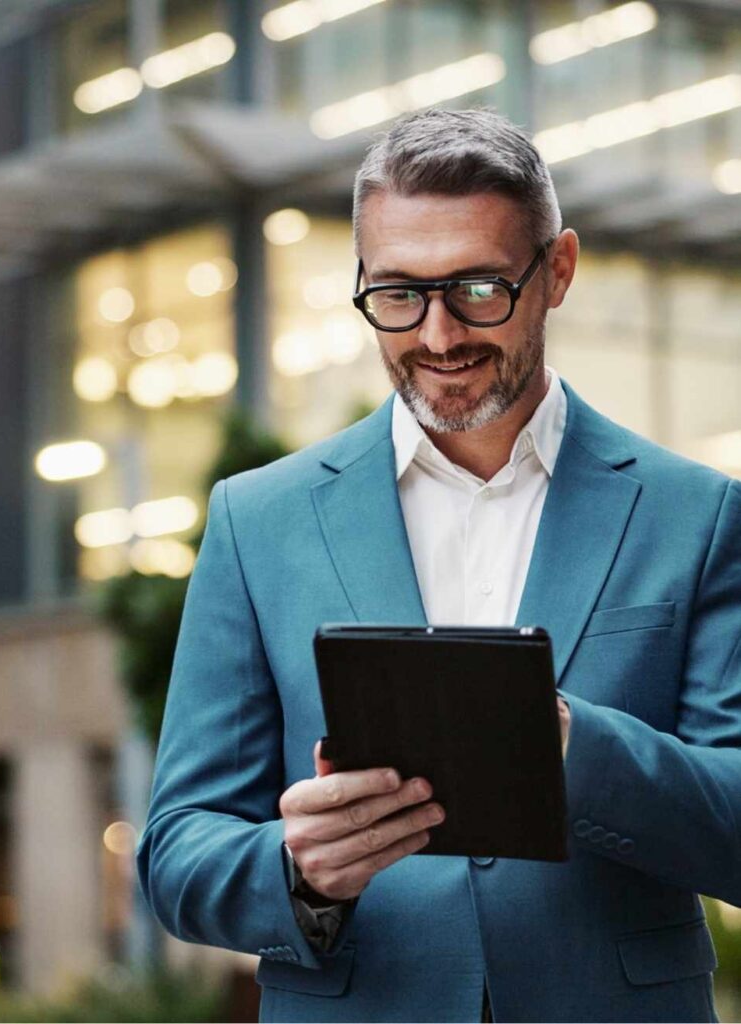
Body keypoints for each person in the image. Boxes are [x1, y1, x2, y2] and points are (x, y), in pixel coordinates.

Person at [136, 108, 741, 1023]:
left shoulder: (696, 514)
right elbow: (176, 852)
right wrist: (298, 870)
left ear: (557, 270)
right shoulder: (256, 521)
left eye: (479, 289)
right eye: (397, 294)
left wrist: (569, 745)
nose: (437, 335)